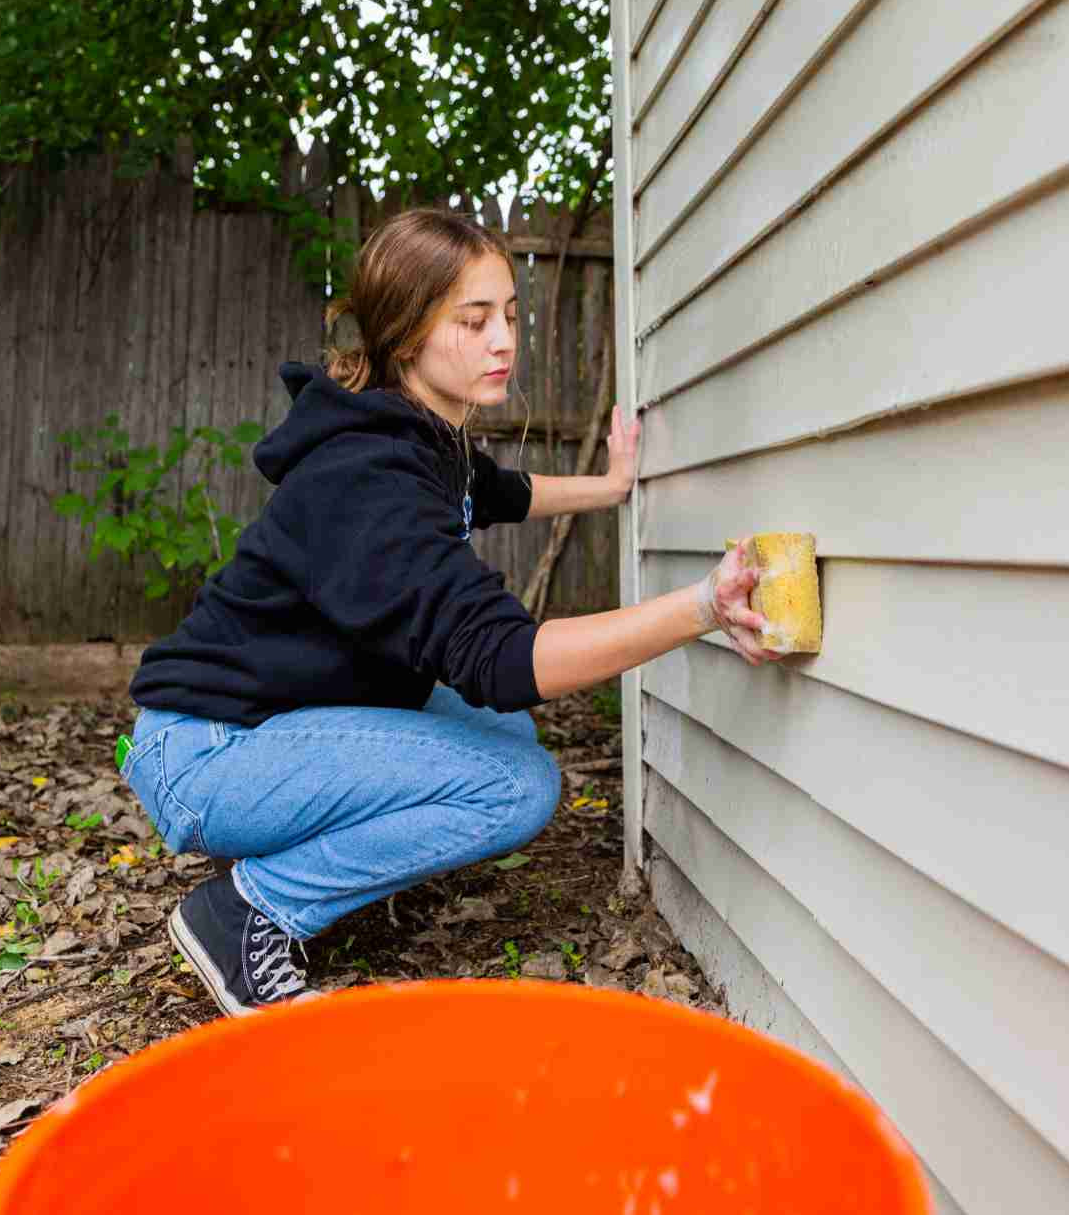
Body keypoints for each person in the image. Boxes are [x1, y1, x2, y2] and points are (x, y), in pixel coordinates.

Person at [124, 208, 783, 1018]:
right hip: (206, 753)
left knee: (497, 734)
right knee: (516, 783)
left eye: (509, 314)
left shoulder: (427, 438)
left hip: (265, 720)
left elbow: (504, 492)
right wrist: (701, 607)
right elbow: (507, 661)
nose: (503, 340)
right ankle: (247, 910)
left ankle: (286, 844)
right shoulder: (367, 479)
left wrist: (611, 488)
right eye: (473, 321)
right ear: (406, 337)